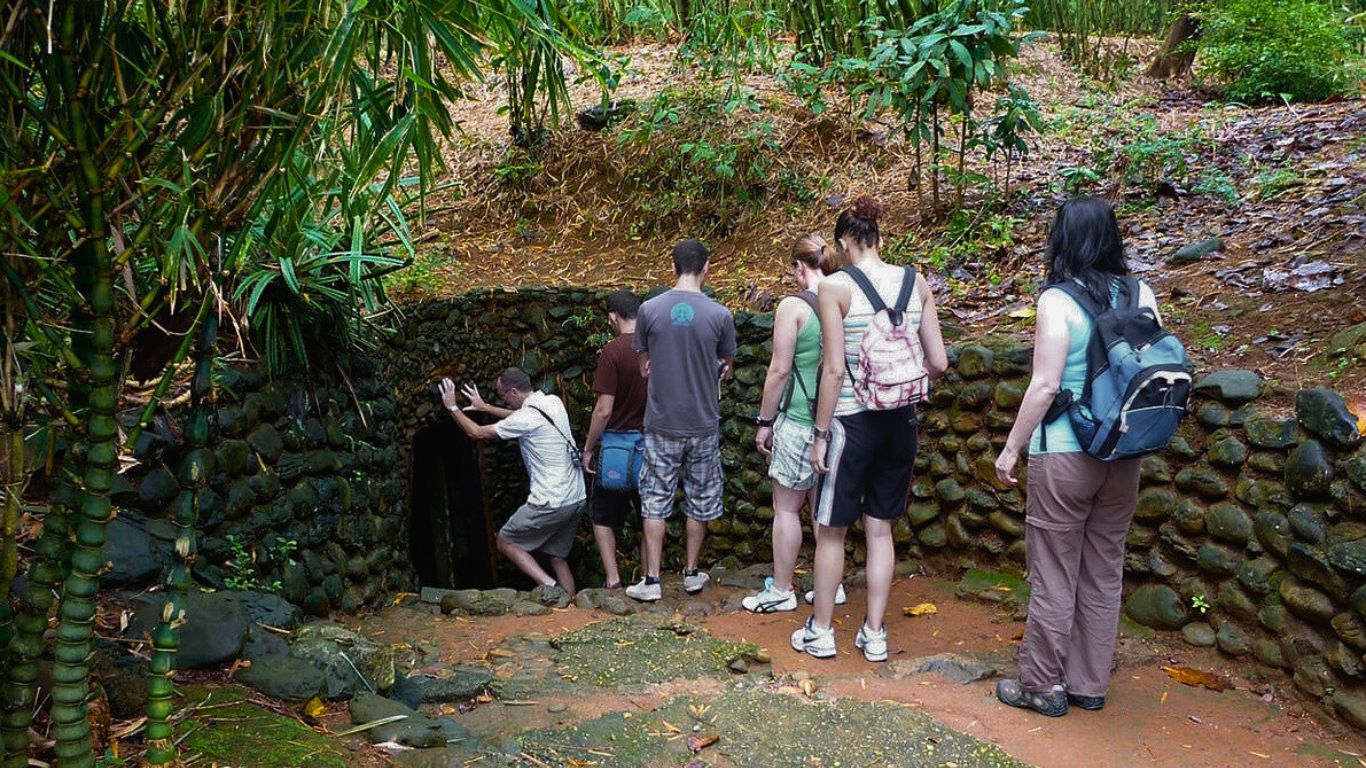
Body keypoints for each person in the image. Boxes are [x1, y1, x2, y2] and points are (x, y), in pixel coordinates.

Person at [992, 196, 1160, 717]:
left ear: (1063, 239)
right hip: (1123, 450)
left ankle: (1042, 684)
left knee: (1054, 570)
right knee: (1104, 568)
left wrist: (1011, 448)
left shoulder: (1057, 301)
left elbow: (1044, 386)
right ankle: (1089, 683)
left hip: (1065, 453)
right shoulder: (1142, 293)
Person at [794, 196, 947, 661]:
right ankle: (875, 633)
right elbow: (938, 362)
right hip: (901, 421)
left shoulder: (834, 288)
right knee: (881, 530)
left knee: (832, 528)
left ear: (842, 242)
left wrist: (820, 434)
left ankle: (822, 630)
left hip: (850, 423)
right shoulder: (915, 281)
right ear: (880, 238)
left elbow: (834, 370)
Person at [626, 239, 737, 602]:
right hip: (702, 422)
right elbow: (726, 369)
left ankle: (652, 580)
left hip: (660, 422)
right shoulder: (721, 315)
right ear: (707, 268)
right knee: (700, 499)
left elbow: (644, 365)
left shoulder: (648, 310)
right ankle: (691, 572)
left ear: (671, 268)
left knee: (655, 499)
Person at [743, 235, 847, 613]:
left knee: (787, 508)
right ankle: (829, 586)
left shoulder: (794, 307)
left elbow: (779, 369)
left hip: (801, 417)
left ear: (799, 268)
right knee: (826, 509)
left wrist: (765, 420)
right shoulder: (847, 297)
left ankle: (782, 588)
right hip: (839, 421)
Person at [439, 368, 585, 594]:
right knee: (557, 557)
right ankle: (574, 607)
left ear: (514, 392)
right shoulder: (552, 402)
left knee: (506, 542)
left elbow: (476, 432)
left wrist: (452, 407)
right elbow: (520, 419)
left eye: (503, 396)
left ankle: (551, 588)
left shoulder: (527, 418)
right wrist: (485, 407)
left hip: (551, 501)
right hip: (576, 497)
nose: (503, 401)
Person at [581, 290, 648, 589]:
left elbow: (604, 408)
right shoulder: (654, 348)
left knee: (603, 515)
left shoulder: (612, 352)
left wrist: (588, 447)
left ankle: (613, 580)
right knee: (650, 514)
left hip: (617, 447)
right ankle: (650, 576)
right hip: (651, 445)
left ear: (613, 317)